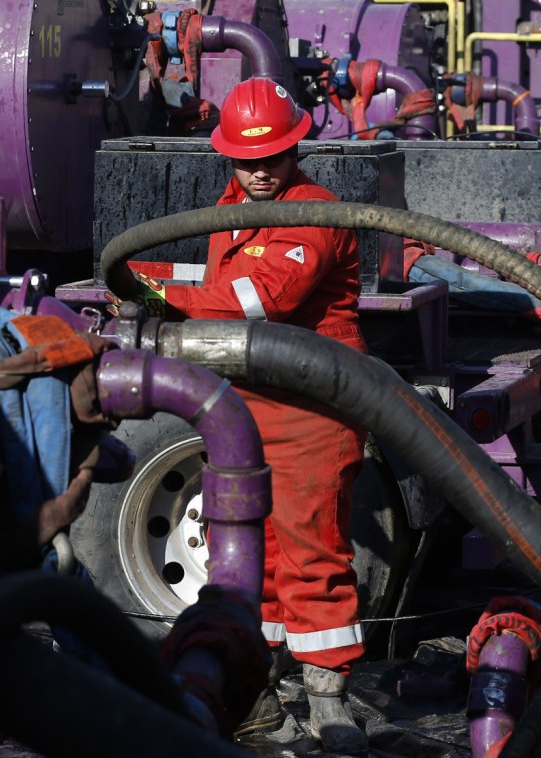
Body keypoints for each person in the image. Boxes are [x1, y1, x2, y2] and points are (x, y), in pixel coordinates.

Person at [108, 77, 369, 753]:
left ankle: (329, 699)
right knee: (269, 562)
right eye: (246, 160)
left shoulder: (314, 210)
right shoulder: (234, 207)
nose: (258, 173)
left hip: (313, 412)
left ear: (295, 149)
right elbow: (223, 287)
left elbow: (258, 299)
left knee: (313, 554)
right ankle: (270, 683)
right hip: (250, 411)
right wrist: (150, 286)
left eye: (273, 158)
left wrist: (157, 291)